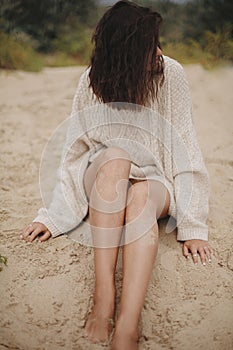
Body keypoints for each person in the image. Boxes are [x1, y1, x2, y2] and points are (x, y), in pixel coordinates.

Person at [20, 1, 214, 349]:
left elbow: (187, 147)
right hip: (107, 174)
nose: (159, 51)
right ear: (125, 52)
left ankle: (128, 322)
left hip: (156, 183)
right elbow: (74, 150)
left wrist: (193, 226)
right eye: (149, 45)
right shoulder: (92, 83)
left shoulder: (172, 75)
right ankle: (103, 297)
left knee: (140, 197)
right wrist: (53, 215)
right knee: (115, 156)